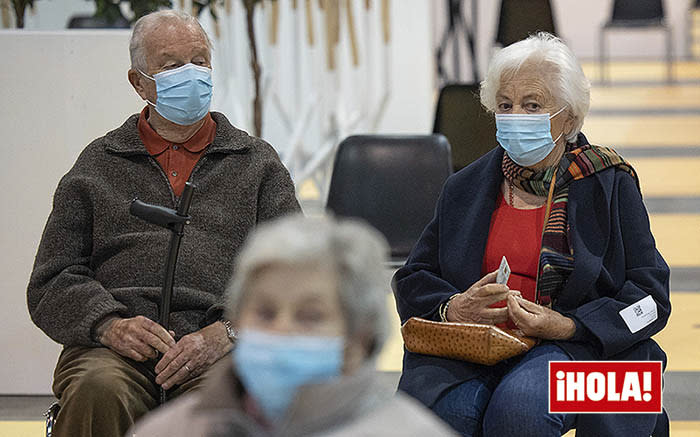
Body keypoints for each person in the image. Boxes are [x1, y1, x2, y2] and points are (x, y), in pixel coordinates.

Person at [27, 10, 299, 437]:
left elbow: (293, 273)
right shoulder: (97, 165)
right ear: (139, 83)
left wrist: (227, 331)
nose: (191, 75)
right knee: (99, 388)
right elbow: (52, 277)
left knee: (230, 401)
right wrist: (108, 324)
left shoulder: (257, 164)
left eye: (200, 61)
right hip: (115, 349)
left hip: (223, 345)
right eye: (172, 66)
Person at [393, 32, 670, 437]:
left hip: (586, 349)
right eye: (505, 105)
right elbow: (413, 277)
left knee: (519, 412)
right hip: (481, 344)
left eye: (533, 105)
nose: (515, 116)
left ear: (570, 119)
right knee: (439, 416)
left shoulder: (610, 183)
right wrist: (454, 307)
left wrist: (569, 326)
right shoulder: (466, 186)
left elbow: (651, 297)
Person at [128, 215, 457, 436]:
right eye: (265, 313)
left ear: (359, 339)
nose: (280, 329)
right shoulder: (168, 430)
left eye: (310, 316)